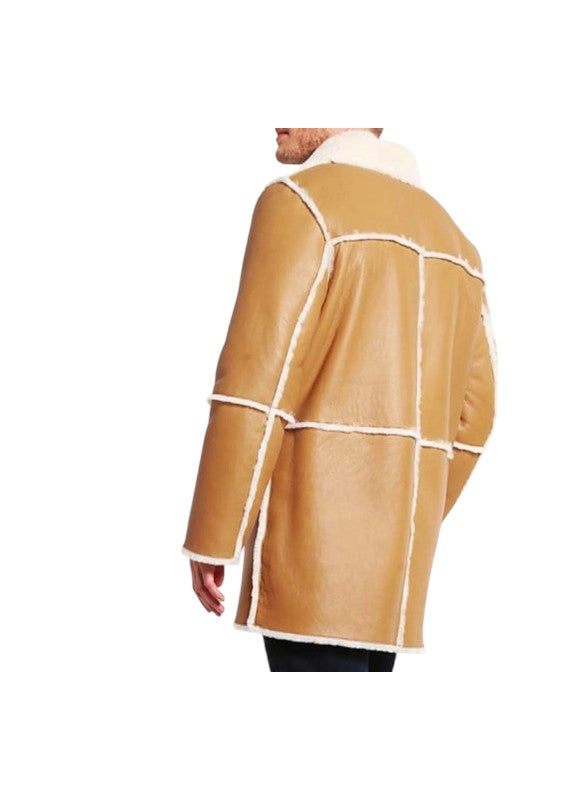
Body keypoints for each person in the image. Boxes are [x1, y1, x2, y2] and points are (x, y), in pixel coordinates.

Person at [181, 128, 497, 672]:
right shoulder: (457, 244)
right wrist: (403, 515)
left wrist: (215, 533)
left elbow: (256, 383)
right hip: (395, 576)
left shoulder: (302, 203)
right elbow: (476, 418)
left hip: (310, 561)